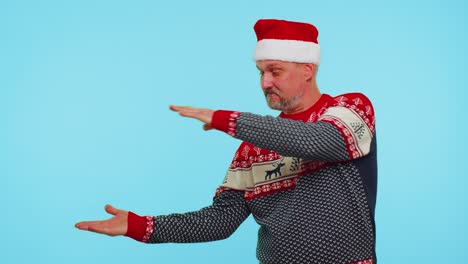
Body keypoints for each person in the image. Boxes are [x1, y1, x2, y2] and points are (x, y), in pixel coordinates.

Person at [75, 19, 378, 264]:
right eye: (261, 72)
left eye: (275, 71)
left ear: (307, 69)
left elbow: (315, 141)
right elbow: (220, 220)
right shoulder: (251, 149)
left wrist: (229, 120)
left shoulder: (349, 109)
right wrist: (140, 225)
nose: (265, 83)